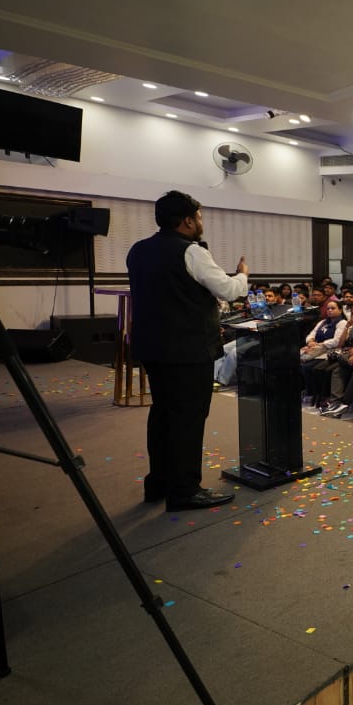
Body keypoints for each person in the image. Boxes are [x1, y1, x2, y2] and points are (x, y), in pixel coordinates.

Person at [127, 191, 246, 510]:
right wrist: (243, 275)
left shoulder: (138, 250)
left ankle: (159, 482)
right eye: (200, 217)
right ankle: (184, 490)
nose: (201, 223)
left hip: (152, 346)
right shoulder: (191, 251)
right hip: (188, 350)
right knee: (188, 419)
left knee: (163, 413)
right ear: (188, 221)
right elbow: (228, 290)